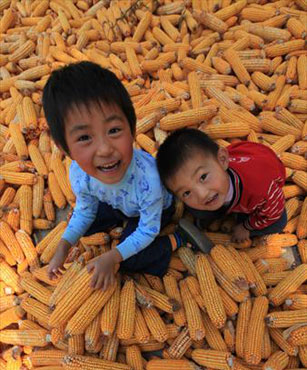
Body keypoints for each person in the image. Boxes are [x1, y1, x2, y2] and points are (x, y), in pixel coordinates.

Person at [42, 62, 210, 290]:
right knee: (84, 224)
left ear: (132, 129)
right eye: (84, 138)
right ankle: (119, 226)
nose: (104, 149)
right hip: (117, 201)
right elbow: (86, 209)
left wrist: (113, 256)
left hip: (154, 210)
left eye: (113, 131)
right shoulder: (80, 173)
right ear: (65, 148)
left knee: (131, 260)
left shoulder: (148, 180)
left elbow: (146, 230)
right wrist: (62, 247)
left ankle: (179, 237)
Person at [156, 128, 287, 243]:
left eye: (203, 177)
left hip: (261, 173)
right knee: (197, 210)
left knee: (279, 222)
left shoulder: (260, 189)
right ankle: (224, 212)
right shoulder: (212, 173)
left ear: (223, 160)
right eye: (186, 192)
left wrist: (246, 227)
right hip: (229, 188)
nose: (202, 194)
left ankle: (243, 223)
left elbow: (273, 211)